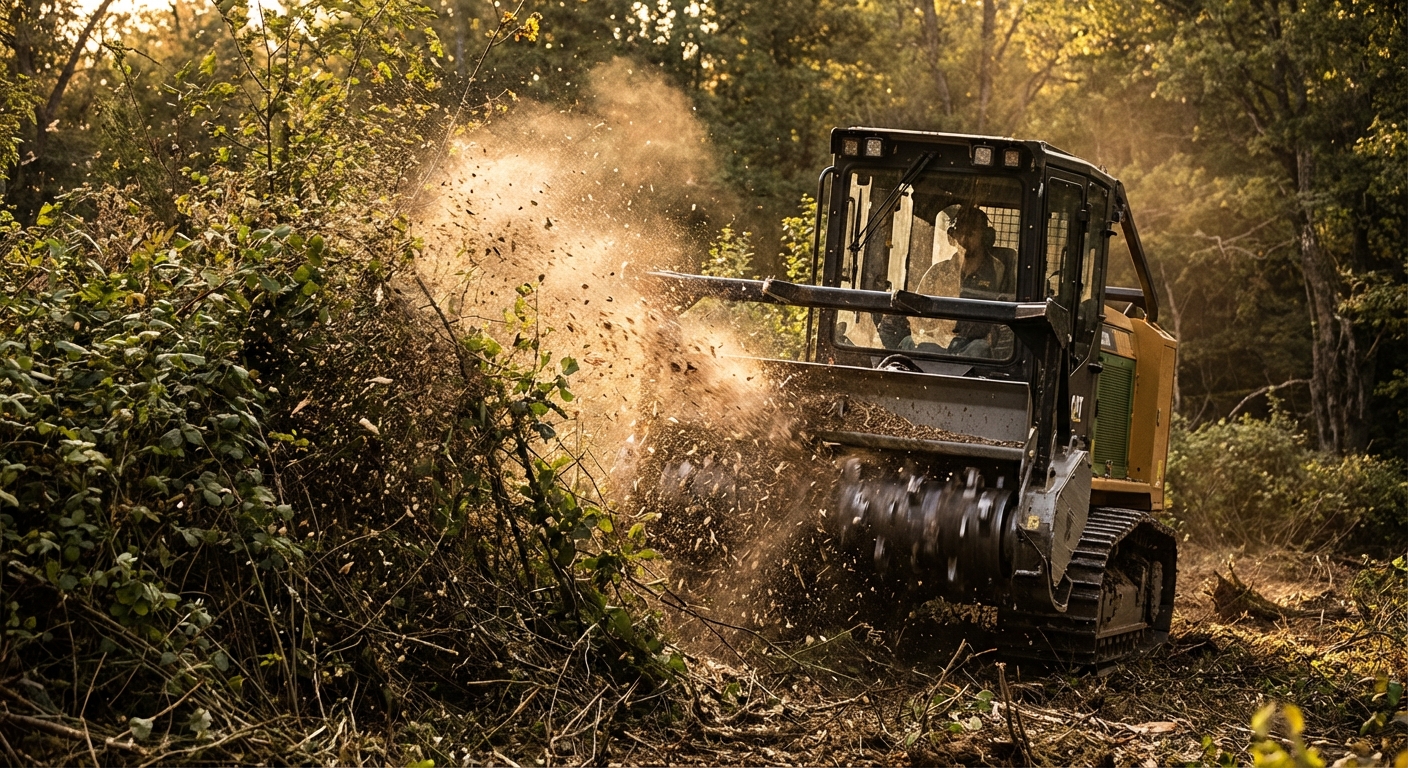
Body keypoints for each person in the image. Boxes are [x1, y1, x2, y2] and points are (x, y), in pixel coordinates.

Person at [946, 207, 1008, 357]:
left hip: (980, 346)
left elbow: (1008, 312)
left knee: (978, 349)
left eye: (972, 233)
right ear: (952, 236)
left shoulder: (999, 271)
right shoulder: (940, 271)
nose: (964, 239)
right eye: (960, 232)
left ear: (986, 237)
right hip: (943, 341)